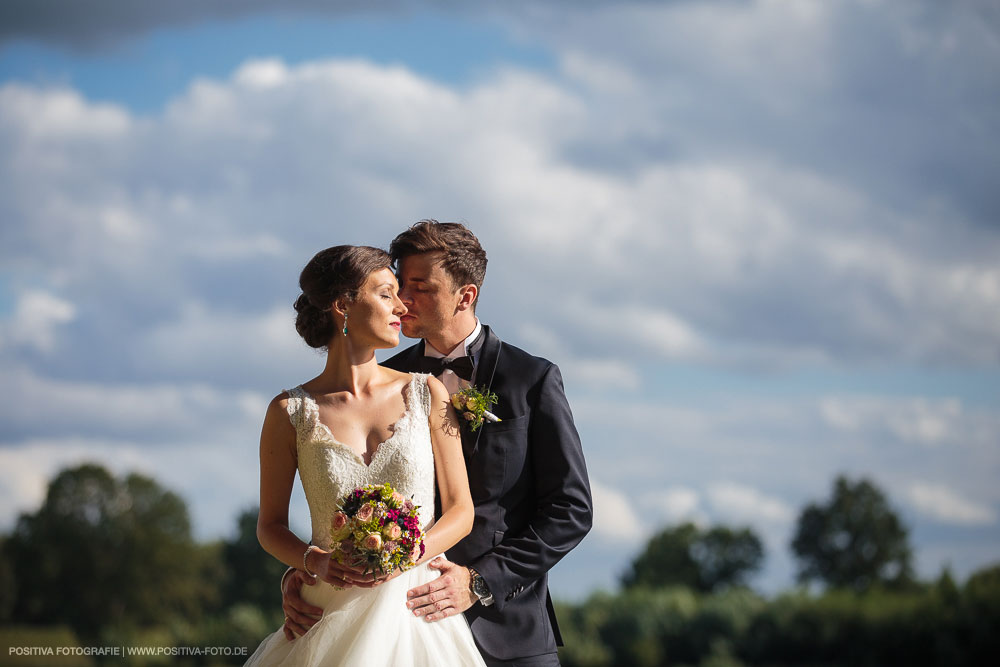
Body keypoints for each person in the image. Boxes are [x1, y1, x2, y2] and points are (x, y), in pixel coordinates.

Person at [281, 222, 594, 666]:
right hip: (392, 626)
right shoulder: (391, 380)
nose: (402, 300)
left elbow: (571, 510)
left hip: (509, 629)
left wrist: (479, 581)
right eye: (397, 286)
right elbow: (350, 488)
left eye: (419, 287)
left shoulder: (532, 379)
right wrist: (307, 569)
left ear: (465, 297)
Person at [246, 245, 487, 666]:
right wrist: (312, 562)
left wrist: (411, 553)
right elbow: (269, 526)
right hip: (326, 611)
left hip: (417, 613)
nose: (402, 305)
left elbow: (461, 511)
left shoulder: (426, 392)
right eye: (386, 294)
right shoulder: (289, 412)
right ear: (343, 305)